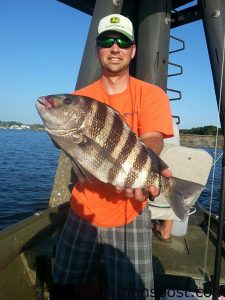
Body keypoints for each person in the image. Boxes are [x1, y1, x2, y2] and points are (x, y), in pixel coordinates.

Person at [51, 14, 173, 300]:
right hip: (83, 211)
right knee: (68, 282)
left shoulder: (152, 95)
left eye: (123, 41)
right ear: (97, 50)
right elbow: (68, 144)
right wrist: (58, 134)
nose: (114, 47)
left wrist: (143, 164)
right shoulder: (79, 99)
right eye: (106, 40)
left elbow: (153, 137)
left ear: (132, 50)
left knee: (134, 293)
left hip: (131, 210)